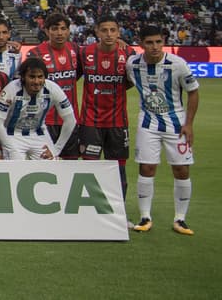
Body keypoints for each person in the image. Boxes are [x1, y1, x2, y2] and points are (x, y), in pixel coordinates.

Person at [127, 25, 200, 235]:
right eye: (149, 42)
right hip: (147, 123)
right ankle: (145, 217)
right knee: (147, 168)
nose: (155, 46)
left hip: (176, 125)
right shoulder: (133, 64)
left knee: (181, 169)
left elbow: (193, 92)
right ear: (141, 44)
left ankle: (180, 219)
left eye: (159, 42)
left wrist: (189, 124)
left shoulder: (178, 64)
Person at [78, 15, 132, 200]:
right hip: (90, 123)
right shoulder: (85, 53)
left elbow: (132, 81)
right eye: (104, 30)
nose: (109, 34)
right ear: (97, 32)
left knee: (119, 171)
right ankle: (89, 213)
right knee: (89, 171)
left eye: (113, 30)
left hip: (118, 123)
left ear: (119, 32)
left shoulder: (128, 54)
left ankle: (119, 213)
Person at [0, 56, 77, 160]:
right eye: (32, 77)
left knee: (52, 164)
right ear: (22, 77)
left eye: (40, 77)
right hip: (12, 134)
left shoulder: (53, 88)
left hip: (38, 133)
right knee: (15, 168)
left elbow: (70, 120)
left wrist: (56, 150)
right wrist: (9, 146)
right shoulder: (11, 89)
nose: (36, 82)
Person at [26, 12, 82, 159]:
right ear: (46, 31)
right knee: (45, 164)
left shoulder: (75, 50)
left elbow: (79, 73)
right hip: (45, 121)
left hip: (69, 119)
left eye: (63, 29)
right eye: (55, 29)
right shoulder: (35, 53)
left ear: (69, 31)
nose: (59, 33)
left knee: (71, 163)